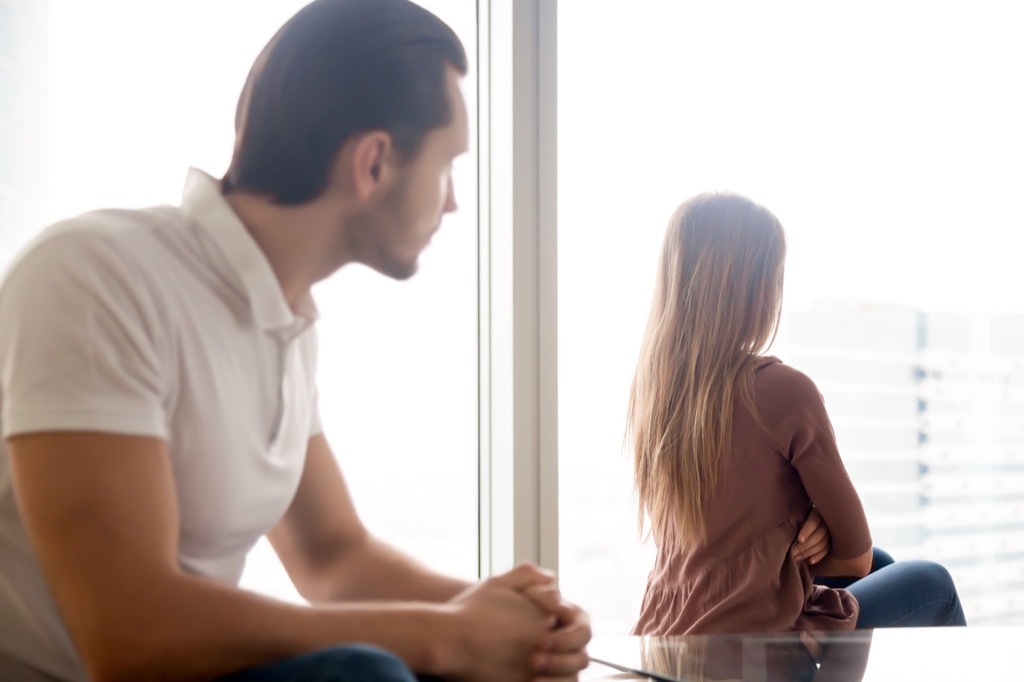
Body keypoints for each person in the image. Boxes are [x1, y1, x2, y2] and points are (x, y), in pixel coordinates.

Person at [0, 1, 590, 681]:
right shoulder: (98, 278)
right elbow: (131, 634)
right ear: (373, 163)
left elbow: (333, 555)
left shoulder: (283, 324)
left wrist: (515, 619)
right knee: (368, 674)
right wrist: (447, 636)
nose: (453, 201)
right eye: (448, 164)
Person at [627, 192, 966, 636]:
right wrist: (818, 524)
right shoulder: (780, 391)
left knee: (882, 566)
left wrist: (804, 528)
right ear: (753, 287)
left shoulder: (659, 393)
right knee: (931, 582)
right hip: (747, 650)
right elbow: (854, 556)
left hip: (668, 640)